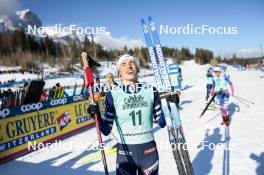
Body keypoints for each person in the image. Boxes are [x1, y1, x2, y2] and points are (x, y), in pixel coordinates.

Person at [88, 54, 166, 174]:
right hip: (125, 153)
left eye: (132, 63)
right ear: (119, 72)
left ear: (137, 68)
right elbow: (106, 130)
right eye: (123, 64)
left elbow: (161, 123)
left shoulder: (150, 90)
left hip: (149, 152)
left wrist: (170, 105)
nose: (129, 66)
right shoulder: (112, 94)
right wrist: (95, 114)